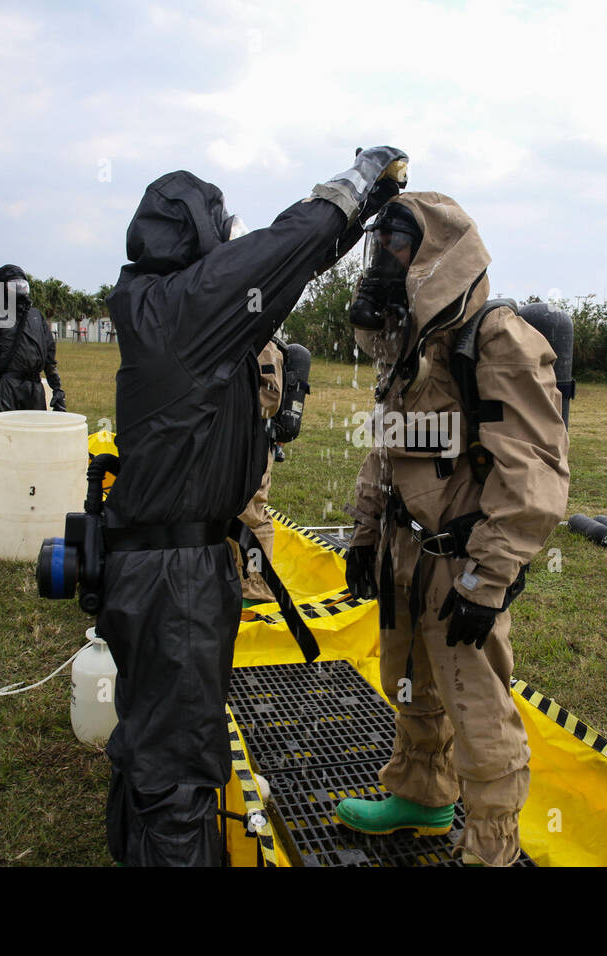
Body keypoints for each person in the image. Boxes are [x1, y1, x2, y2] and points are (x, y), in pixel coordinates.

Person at [99, 147, 409, 867]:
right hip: (172, 578)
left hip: (168, 560)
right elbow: (282, 251)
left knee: (154, 742)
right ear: (199, 237)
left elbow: (281, 267)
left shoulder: (166, 305)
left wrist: (353, 216)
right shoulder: (185, 308)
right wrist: (355, 186)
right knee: (179, 768)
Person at [336, 193, 570, 866]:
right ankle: (420, 794)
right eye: (382, 247)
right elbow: (387, 447)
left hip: (464, 558)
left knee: (475, 707)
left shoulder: (495, 338)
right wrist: (363, 535)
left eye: (398, 247)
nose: (386, 261)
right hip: (407, 549)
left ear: (438, 255)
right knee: (408, 680)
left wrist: (488, 580)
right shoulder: (409, 343)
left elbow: (534, 473)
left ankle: (491, 847)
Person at [0, 265, 66, 446]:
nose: (20, 289)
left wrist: (57, 389)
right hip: (7, 386)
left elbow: (49, 359)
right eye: (14, 285)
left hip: (34, 387)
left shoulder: (36, 317)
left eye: (22, 285)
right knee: (5, 438)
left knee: (36, 438)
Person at [236, 337, 286, 605]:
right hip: (230, 441)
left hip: (253, 441)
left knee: (252, 512)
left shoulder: (262, 343)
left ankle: (256, 587)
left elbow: (271, 399)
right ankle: (233, 576)